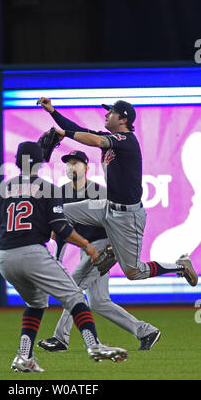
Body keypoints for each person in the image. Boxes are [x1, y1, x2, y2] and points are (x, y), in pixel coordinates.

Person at [0, 141, 128, 373]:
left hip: (4, 257)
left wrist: (1, 252)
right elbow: (61, 227)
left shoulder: (2, 189)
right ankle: (94, 345)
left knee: (36, 303)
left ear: (16, 162)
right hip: (32, 253)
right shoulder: (48, 188)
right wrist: (87, 247)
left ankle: (23, 357)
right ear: (40, 163)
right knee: (75, 297)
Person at [37, 97, 198, 287]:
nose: (106, 114)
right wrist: (53, 112)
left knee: (134, 272)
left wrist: (64, 133)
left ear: (123, 119)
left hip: (128, 217)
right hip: (106, 207)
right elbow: (81, 131)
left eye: (111, 112)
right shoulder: (113, 139)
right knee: (60, 212)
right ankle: (60, 262)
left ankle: (180, 266)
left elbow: (95, 140)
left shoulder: (126, 140)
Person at [38, 150, 160, 353]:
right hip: (86, 250)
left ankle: (61, 339)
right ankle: (146, 331)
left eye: (76, 163)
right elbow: (59, 231)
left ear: (86, 167)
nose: (71, 167)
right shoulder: (59, 194)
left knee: (73, 289)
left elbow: (119, 223)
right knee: (99, 301)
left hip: (103, 248)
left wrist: (114, 249)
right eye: (68, 164)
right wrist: (57, 259)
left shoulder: (100, 192)